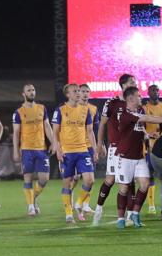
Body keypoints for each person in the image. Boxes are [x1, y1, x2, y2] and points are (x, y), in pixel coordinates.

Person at [114, 87, 162, 228]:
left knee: (145, 183)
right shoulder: (125, 113)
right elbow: (146, 118)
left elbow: (140, 128)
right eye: (138, 95)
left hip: (139, 156)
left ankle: (135, 214)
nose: (141, 97)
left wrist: (148, 135)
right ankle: (120, 219)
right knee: (124, 189)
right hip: (125, 157)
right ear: (130, 98)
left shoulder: (139, 110)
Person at [92, 74, 137, 225]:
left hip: (131, 147)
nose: (134, 83)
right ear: (123, 85)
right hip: (116, 148)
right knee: (110, 180)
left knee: (129, 181)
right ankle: (98, 208)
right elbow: (102, 124)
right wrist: (99, 143)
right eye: (132, 82)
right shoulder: (112, 103)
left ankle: (131, 215)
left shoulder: (135, 102)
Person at [52, 84, 98, 223]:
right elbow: (55, 133)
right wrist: (58, 150)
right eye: (75, 91)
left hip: (83, 150)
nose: (78, 93)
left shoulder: (86, 110)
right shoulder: (60, 110)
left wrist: (95, 150)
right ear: (68, 94)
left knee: (90, 180)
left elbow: (90, 131)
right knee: (68, 183)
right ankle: (68, 214)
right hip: (67, 152)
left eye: (79, 91)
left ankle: (78, 203)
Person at [13, 84, 55, 216]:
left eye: (33, 90)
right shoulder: (18, 112)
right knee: (28, 178)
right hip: (26, 149)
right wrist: (15, 150)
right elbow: (16, 133)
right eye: (29, 91)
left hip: (41, 149)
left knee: (44, 179)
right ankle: (31, 206)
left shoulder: (42, 108)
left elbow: (47, 126)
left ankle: (34, 198)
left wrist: (54, 143)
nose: (31, 92)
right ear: (23, 94)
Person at [71, 84, 100, 221]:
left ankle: (85, 204)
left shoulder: (93, 109)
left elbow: (95, 129)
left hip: (88, 147)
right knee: (75, 178)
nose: (85, 94)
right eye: (83, 91)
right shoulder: (72, 108)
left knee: (90, 179)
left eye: (87, 92)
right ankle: (70, 198)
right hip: (75, 148)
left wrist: (100, 146)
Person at [142, 84, 162, 215]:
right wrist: (148, 135)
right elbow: (141, 126)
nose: (155, 92)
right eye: (152, 90)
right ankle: (151, 205)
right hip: (150, 146)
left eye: (157, 90)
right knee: (150, 176)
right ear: (148, 93)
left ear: (159, 92)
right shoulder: (144, 108)